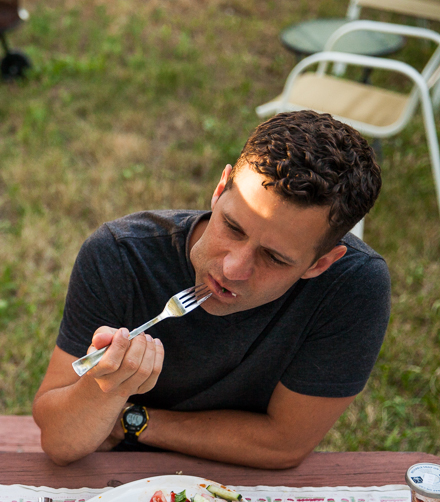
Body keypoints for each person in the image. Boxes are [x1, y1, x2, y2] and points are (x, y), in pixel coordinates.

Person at [33, 110, 390, 470]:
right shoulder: (121, 254)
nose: (232, 269)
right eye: (233, 227)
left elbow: (284, 445)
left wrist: (133, 421)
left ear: (320, 264)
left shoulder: (353, 285)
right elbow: (61, 442)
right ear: (220, 190)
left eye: (274, 258)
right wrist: (104, 389)